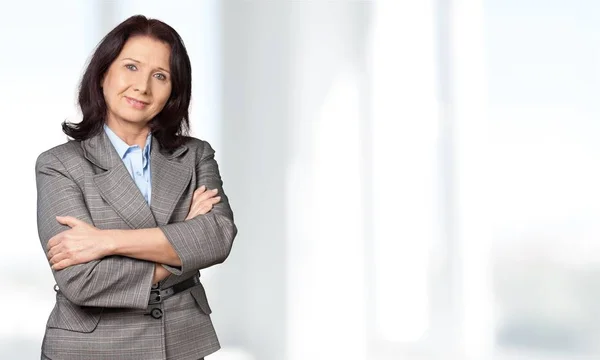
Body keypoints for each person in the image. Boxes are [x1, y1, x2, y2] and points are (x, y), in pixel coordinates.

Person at [35, 15, 237, 360]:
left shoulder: (195, 155)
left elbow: (217, 237)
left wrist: (105, 241)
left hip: (180, 343)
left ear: (174, 90)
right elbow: (83, 280)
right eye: (131, 67)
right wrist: (183, 242)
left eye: (160, 76)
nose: (143, 86)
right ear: (102, 75)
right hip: (90, 349)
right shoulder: (59, 164)